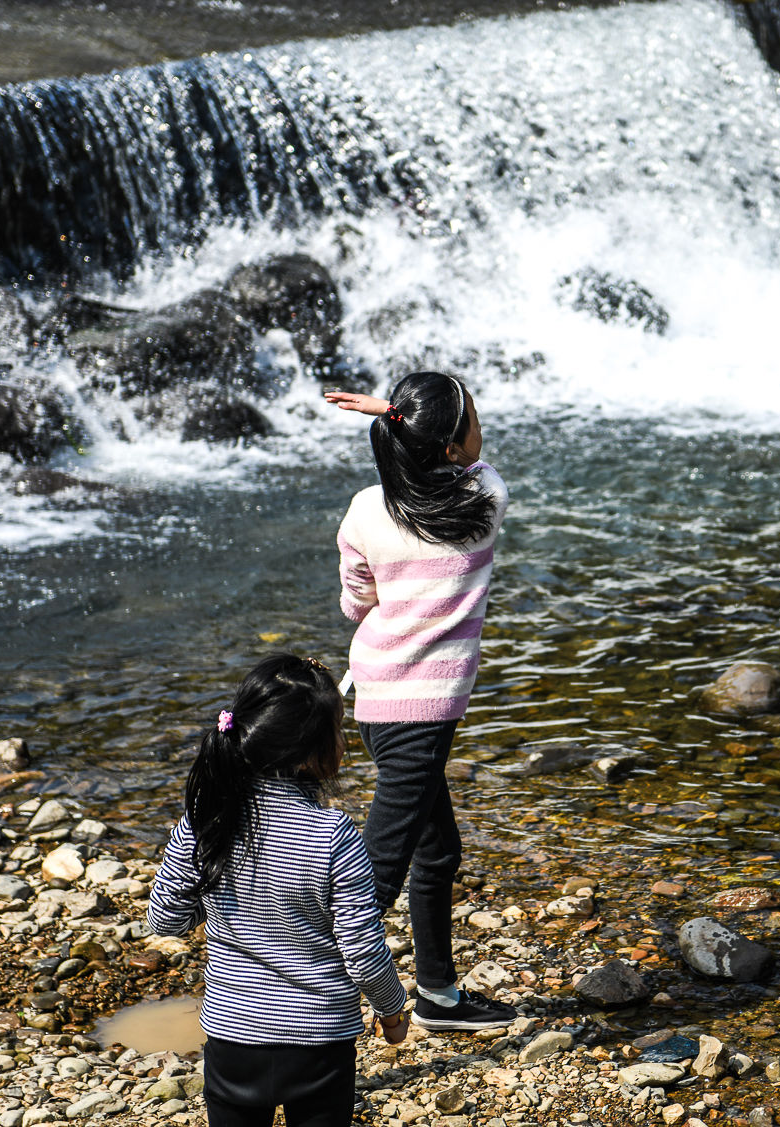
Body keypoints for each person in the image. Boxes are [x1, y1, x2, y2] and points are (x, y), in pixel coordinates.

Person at [323, 371, 516, 1031]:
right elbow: (477, 461)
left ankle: (438, 993)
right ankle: (301, 1002)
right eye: (472, 417)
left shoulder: (364, 510)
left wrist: (397, 416)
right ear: (457, 446)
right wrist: (406, 419)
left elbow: (356, 603)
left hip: (377, 698)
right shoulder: (484, 498)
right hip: (422, 718)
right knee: (379, 872)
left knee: (438, 850)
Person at [147, 653, 409, 1127]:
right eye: (339, 729)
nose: (344, 742)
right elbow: (362, 953)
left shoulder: (206, 820)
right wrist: (392, 1011)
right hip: (320, 1045)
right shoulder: (334, 834)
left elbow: (165, 920)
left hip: (232, 1038)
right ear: (312, 750)